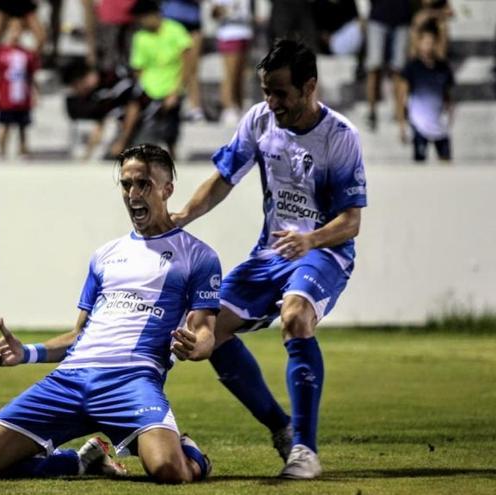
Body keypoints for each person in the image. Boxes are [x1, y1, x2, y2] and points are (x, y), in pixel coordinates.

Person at [0, 144, 221, 484]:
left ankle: (190, 450)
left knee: (171, 471)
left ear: (167, 189)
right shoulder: (105, 256)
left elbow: (205, 332)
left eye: (143, 183)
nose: (133, 193)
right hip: (70, 380)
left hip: (131, 380)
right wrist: (27, 353)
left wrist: (196, 347)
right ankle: (79, 462)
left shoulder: (198, 256)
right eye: (126, 184)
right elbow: (78, 336)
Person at [172, 39, 367, 480]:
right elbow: (224, 178)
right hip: (270, 254)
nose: (271, 102)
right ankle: (280, 428)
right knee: (204, 331)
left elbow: (351, 221)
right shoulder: (259, 120)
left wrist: (311, 240)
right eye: (266, 91)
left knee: (296, 317)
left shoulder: (339, 137)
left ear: (309, 86)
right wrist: (184, 214)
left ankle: (306, 450)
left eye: (280, 92)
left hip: (325, 252)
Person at [110, 0, 192, 158]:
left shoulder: (175, 30)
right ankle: (122, 143)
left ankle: (172, 154)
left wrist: (176, 90)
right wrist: (144, 89)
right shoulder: (140, 37)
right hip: (148, 88)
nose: (141, 22)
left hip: (171, 86)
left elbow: (187, 62)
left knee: (171, 128)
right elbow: (138, 68)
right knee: (132, 104)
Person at [397, 21, 453, 163]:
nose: (428, 46)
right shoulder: (412, 68)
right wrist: (402, 126)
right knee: (420, 164)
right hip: (419, 124)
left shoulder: (443, 67)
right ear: (419, 43)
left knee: (446, 162)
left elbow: (447, 96)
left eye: (431, 42)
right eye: (425, 42)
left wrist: (450, 115)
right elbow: (402, 97)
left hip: (439, 124)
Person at [0, 19, 39, 158]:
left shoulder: (28, 54)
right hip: (6, 95)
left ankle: (23, 150)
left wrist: (35, 93)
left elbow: (32, 76)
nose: (15, 34)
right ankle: (1, 150)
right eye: (12, 30)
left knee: (23, 125)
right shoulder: (0, 52)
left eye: (18, 30)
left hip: (22, 95)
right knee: (5, 124)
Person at [365, 0, 413, 130]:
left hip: (403, 19)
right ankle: (371, 112)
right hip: (378, 18)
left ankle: (399, 112)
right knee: (374, 67)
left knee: (399, 70)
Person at [161, 0, 205, 121]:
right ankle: (165, 103)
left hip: (193, 22)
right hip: (171, 19)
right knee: (169, 65)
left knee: (192, 67)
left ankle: (195, 107)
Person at [212, 0, 253, 126]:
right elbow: (214, 13)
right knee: (230, 74)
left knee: (241, 75)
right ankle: (227, 107)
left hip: (245, 33)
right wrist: (226, 10)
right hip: (229, 34)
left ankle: (239, 106)